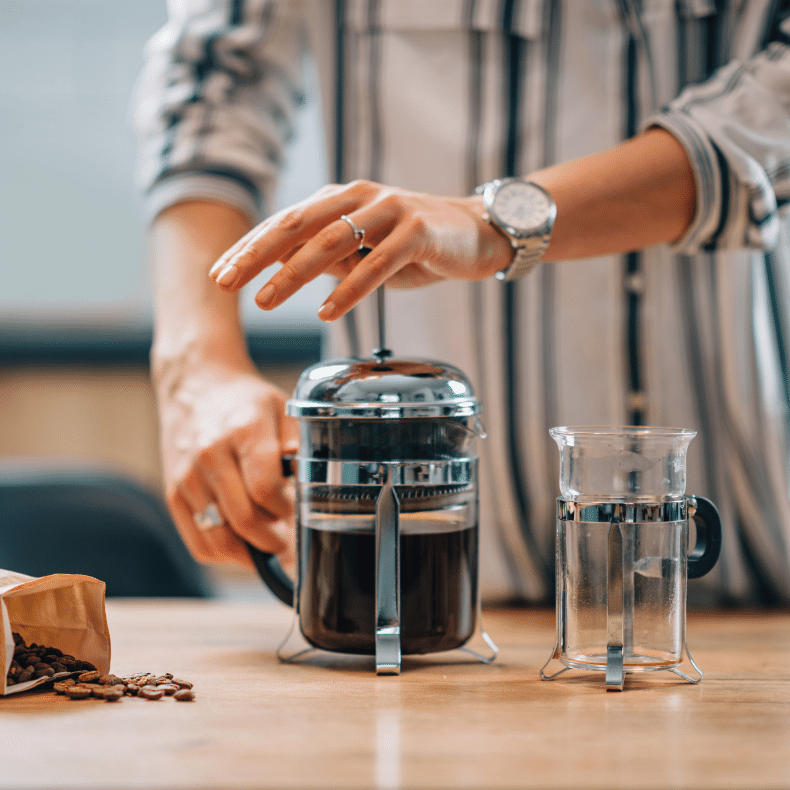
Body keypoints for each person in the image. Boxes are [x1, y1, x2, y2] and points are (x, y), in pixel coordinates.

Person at [133, 0, 790, 606]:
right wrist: (197, 367)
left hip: (748, 569)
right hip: (423, 600)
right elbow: (213, 87)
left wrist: (496, 224)